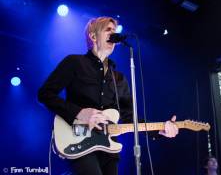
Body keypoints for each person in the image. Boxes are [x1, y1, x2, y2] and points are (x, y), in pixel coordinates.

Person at [38, 16, 178, 175]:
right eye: (108, 30)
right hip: (78, 139)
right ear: (93, 36)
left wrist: (159, 130)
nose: (113, 33)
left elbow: (128, 116)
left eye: (114, 30)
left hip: (108, 147)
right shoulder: (74, 63)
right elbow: (45, 94)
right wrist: (79, 112)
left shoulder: (118, 78)